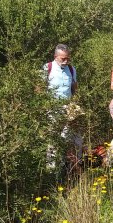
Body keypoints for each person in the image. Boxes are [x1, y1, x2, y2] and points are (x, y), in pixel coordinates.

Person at [43, 43, 83, 174]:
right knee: (54, 139)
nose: (66, 61)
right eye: (63, 59)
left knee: (75, 137)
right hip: (52, 108)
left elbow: (74, 88)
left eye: (68, 58)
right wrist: (43, 107)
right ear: (55, 57)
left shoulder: (71, 69)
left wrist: (75, 105)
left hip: (69, 107)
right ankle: (51, 170)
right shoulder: (47, 68)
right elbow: (39, 88)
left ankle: (76, 165)